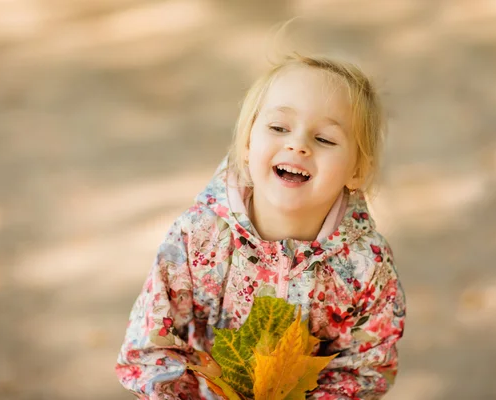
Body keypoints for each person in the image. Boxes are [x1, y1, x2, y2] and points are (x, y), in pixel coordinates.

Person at [115, 52, 406, 399]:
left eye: (325, 139)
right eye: (279, 128)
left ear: (357, 170)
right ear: (248, 145)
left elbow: (366, 368)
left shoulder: (366, 266)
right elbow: (148, 346)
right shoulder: (198, 237)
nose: (297, 145)